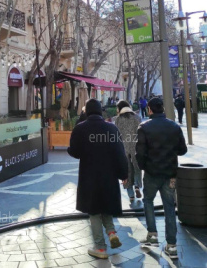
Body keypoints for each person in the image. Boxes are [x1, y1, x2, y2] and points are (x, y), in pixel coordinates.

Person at [68, 99, 129, 260]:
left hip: (89, 177)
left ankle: (100, 247)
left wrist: (70, 149)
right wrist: (124, 174)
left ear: (86, 111)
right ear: (101, 111)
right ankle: (111, 232)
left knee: (94, 211)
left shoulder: (80, 128)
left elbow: (74, 151)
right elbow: (120, 154)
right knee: (106, 206)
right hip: (109, 176)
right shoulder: (111, 128)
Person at [136, 97, 188, 260]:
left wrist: (144, 166)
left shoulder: (144, 127)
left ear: (149, 109)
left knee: (148, 201)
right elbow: (183, 150)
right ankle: (172, 245)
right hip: (170, 173)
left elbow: (140, 153)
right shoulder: (174, 126)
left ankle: (152, 235)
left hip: (152, 173)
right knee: (169, 206)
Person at [114, 100, 142, 202]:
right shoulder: (137, 117)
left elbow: (116, 135)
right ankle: (137, 185)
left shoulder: (118, 119)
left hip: (123, 147)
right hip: (136, 146)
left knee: (127, 170)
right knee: (137, 167)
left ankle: (131, 195)